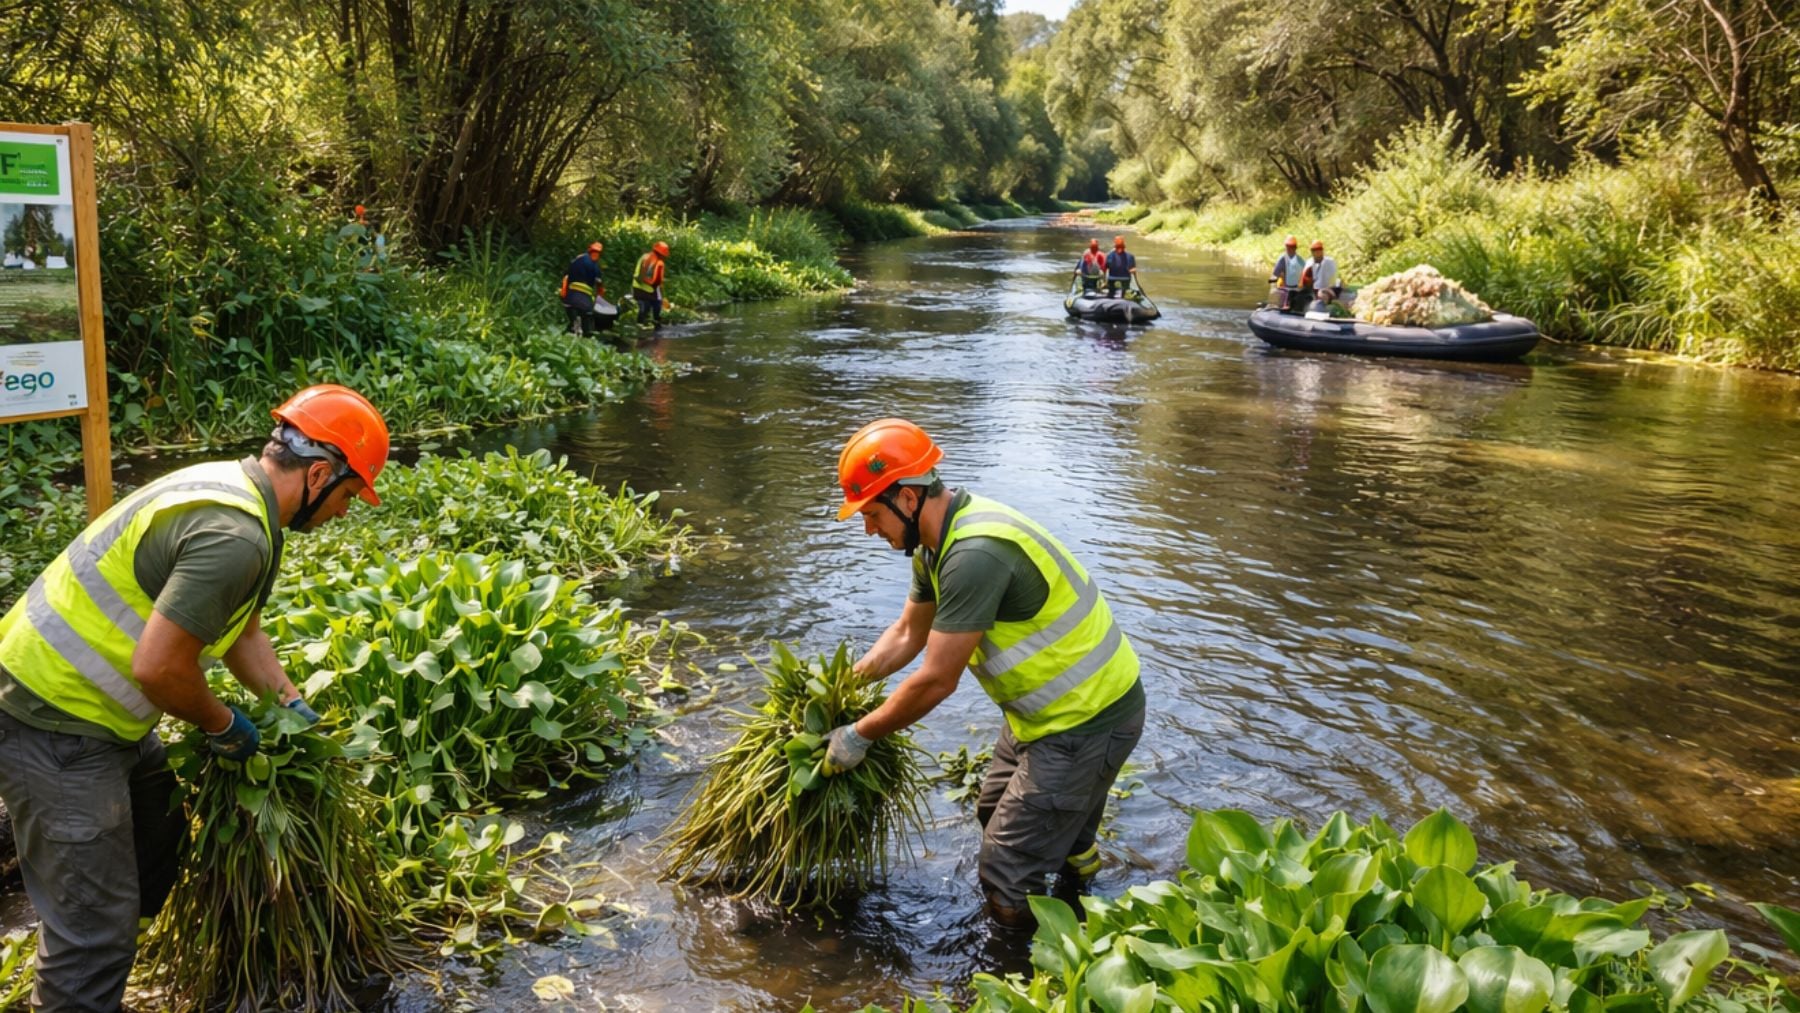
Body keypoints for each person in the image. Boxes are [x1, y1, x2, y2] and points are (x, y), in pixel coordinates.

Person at [0, 384, 388, 1010]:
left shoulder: (239, 497)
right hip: (52, 718)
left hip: (99, 718)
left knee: (158, 839)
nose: (345, 510)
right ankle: (85, 963)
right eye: (347, 494)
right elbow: (158, 670)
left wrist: (292, 707)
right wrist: (224, 724)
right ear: (319, 472)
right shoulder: (236, 536)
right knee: (93, 931)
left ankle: (96, 947)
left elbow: (240, 632)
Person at [822, 419, 1145, 930]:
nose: (868, 529)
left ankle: (1022, 968)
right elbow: (908, 633)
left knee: (1004, 870)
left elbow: (936, 680)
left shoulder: (974, 555)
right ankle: (1082, 878)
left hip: (1087, 720)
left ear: (907, 499)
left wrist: (859, 735)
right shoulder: (935, 546)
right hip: (1045, 714)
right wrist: (844, 686)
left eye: (870, 514)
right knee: (993, 809)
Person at [562, 241, 606, 337]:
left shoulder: (576, 261)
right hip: (585, 302)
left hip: (571, 298)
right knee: (587, 325)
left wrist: (563, 293)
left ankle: (572, 330)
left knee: (573, 320)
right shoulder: (595, 267)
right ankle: (582, 333)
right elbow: (600, 287)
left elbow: (565, 277)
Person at [632, 241, 670, 328]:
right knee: (654, 308)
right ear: (661, 254)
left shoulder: (644, 257)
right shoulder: (656, 262)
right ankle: (654, 326)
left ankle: (641, 326)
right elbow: (656, 281)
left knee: (643, 309)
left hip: (638, 288)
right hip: (648, 290)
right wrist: (662, 295)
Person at [1268, 235, 1307, 312]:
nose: (1290, 249)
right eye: (1288, 246)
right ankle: (1277, 307)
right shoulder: (1282, 259)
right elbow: (1274, 276)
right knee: (1277, 293)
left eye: (1292, 246)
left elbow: (1306, 275)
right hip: (1284, 289)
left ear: (1295, 248)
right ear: (1285, 247)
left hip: (1296, 289)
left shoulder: (1300, 261)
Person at [1305, 240, 1340, 307]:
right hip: (1312, 289)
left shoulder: (1330, 262)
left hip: (1327, 289)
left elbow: (1333, 280)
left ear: (1322, 251)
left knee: (1322, 294)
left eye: (1319, 249)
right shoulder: (1309, 262)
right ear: (1312, 252)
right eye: (1314, 250)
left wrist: (1329, 290)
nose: (1317, 251)